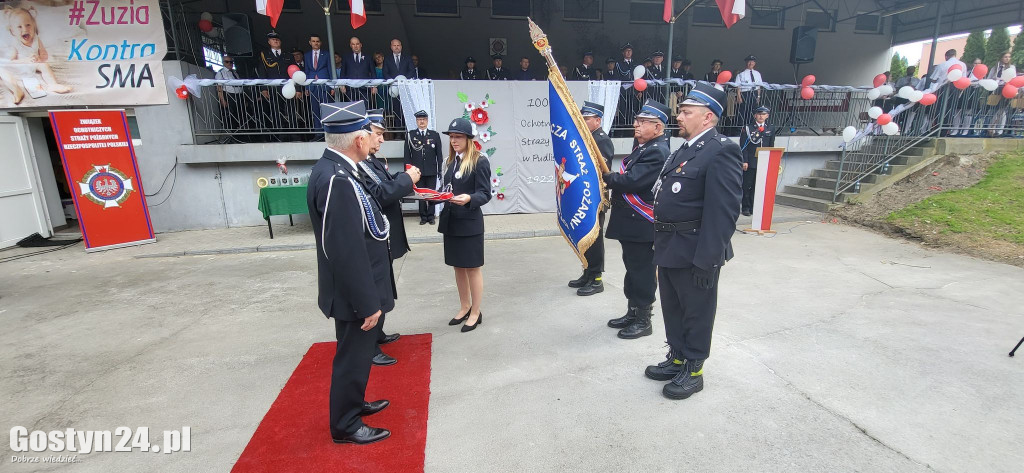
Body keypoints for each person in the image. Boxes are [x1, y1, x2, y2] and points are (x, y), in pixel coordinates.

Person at [645, 81, 742, 401]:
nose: (680, 116)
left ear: (708, 117)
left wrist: (708, 258)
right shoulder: (684, 149)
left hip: (696, 249)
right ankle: (677, 357)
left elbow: (724, 211)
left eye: (687, 112)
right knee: (673, 307)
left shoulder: (721, 149)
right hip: (670, 245)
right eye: (681, 111)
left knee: (697, 309)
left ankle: (695, 368)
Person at [306, 101, 393, 445]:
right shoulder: (337, 180)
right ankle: (345, 424)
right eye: (368, 135)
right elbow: (344, 250)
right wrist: (367, 302)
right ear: (358, 141)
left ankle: (354, 404)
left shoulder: (334, 169)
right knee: (351, 359)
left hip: (351, 289)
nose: (372, 140)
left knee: (355, 355)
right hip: (353, 293)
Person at [602, 100, 671, 339]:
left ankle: (644, 319)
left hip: (641, 223)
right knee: (632, 268)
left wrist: (608, 178)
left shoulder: (657, 150)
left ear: (658, 127)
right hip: (631, 222)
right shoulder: (645, 146)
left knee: (642, 271)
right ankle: (632, 312)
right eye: (637, 120)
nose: (636, 125)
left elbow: (634, 180)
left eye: (643, 122)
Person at [359, 109, 420, 365]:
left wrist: (402, 178)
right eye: (378, 134)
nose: (382, 140)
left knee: (383, 287)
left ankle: (378, 333)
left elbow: (385, 183)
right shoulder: (359, 164)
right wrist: (406, 179)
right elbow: (381, 194)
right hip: (374, 239)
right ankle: (369, 347)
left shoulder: (371, 161)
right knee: (374, 291)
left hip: (384, 236)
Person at [438, 118, 492, 332]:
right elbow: (446, 188)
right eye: (451, 137)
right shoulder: (449, 162)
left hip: (469, 222)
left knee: (472, 268)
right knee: (458, 267)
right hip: (452, 221)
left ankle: (476, 312)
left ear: (469, 139)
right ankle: (464, 306)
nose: (453, 141)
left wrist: (469, 199)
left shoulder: (480, 160)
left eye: (458, 137)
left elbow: (485, 193)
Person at [568, 102, 615, 296]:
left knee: (594, 238)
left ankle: (596, 278)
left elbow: (599, 170)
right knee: (585, 235)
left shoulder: (601, 140)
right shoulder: (588, 138)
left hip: (595, 197)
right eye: (583, 118)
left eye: (586, 119)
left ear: (597, 120)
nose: (583, 121)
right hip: (585, 195)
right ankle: (587, 271)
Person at [405, 110, 444, 225]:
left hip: (431, 170)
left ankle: (431, 216)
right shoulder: (411, 135)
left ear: (427, 121)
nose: (421, 122)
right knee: (420, 194)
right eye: (419, 120)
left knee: (431, 194)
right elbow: (407, 155)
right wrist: (408, 171)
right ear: (416, 121)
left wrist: (440, 170)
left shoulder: (434, 135)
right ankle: (423, 216)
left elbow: (439, 154)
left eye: (423, 119)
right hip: (417, 171)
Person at [739, 106, 774, 216]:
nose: (761, 116)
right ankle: (745, 207)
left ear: (767, 116)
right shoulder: (748, 128)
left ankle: (755, 207)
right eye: (759, 114)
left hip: (763, 162)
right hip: (750, 161)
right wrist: (744, 161)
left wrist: (771, 161)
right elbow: (743, 146)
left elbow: (771, 145)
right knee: (747, 185)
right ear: (755, 115)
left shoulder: (771, 128)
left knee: (758, 186)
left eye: (763, 114)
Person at [304, 34, 334, 130]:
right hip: (313, 87)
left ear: (320, 43)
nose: (315, 43)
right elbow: (307, 71)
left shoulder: (326, 54)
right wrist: (307, 87)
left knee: (326, 109)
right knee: (315, 110)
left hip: (325, 86)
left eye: (317, 41)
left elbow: (330, 70)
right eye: (313, 41)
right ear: (310, 43)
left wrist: (333, 86)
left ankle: (327, 131)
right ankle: (318, 132)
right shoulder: (307, 55)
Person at [735, 55, 762, 126]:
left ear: (754, 63)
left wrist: (758, 96)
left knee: (753, 111)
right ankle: (741, 128)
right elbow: (738, 86)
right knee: (743, 112)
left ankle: (751, 127)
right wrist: (739, 96)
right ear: (746, 63)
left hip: (754, 93)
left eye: (752, 62)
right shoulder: (741, 74)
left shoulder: (757, 74)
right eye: (749, 62)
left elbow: (759, 86)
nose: (751, 63)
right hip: (745, 93)